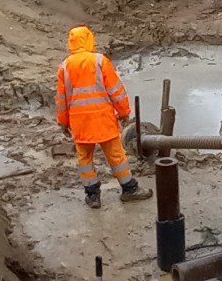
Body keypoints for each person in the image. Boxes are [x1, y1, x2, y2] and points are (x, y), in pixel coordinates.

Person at [55, 25, 150, 208]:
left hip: (80, 122)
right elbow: (115, 90)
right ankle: (129, 189)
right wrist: (124, 112)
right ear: (90, 39)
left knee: (85, 159)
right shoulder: (99, 61)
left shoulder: (65, 66)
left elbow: (61, 98)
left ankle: (92, 196)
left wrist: (63, 122)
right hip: (103, 119)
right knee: (116, 155)